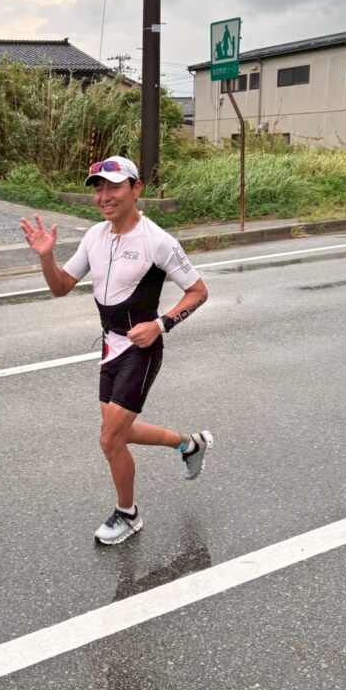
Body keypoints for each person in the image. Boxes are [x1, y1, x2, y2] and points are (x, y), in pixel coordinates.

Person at [20, 156, 212, 546]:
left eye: (113, 187)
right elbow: (60, 286)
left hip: (142, 348)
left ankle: (128, 514)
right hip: (110, 347)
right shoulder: (95, 236)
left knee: (110, 440)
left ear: (136, 189)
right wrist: (45, 256)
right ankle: (190, 444)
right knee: (119, 434)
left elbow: (198, 291)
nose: (104, 196)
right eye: (98, 188)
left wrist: (160, 325)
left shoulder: (158, 241)